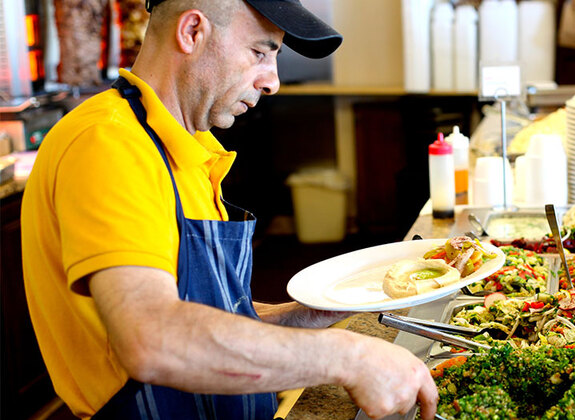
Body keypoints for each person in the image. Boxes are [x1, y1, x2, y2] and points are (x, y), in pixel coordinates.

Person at [20, 0, 438, 419]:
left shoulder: (181, 147)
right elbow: (151, 338)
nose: (272, 81)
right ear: (192, 32)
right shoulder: (108, 144)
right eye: (260, 51)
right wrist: (348, 356)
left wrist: (305, 314)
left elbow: (202, 317)